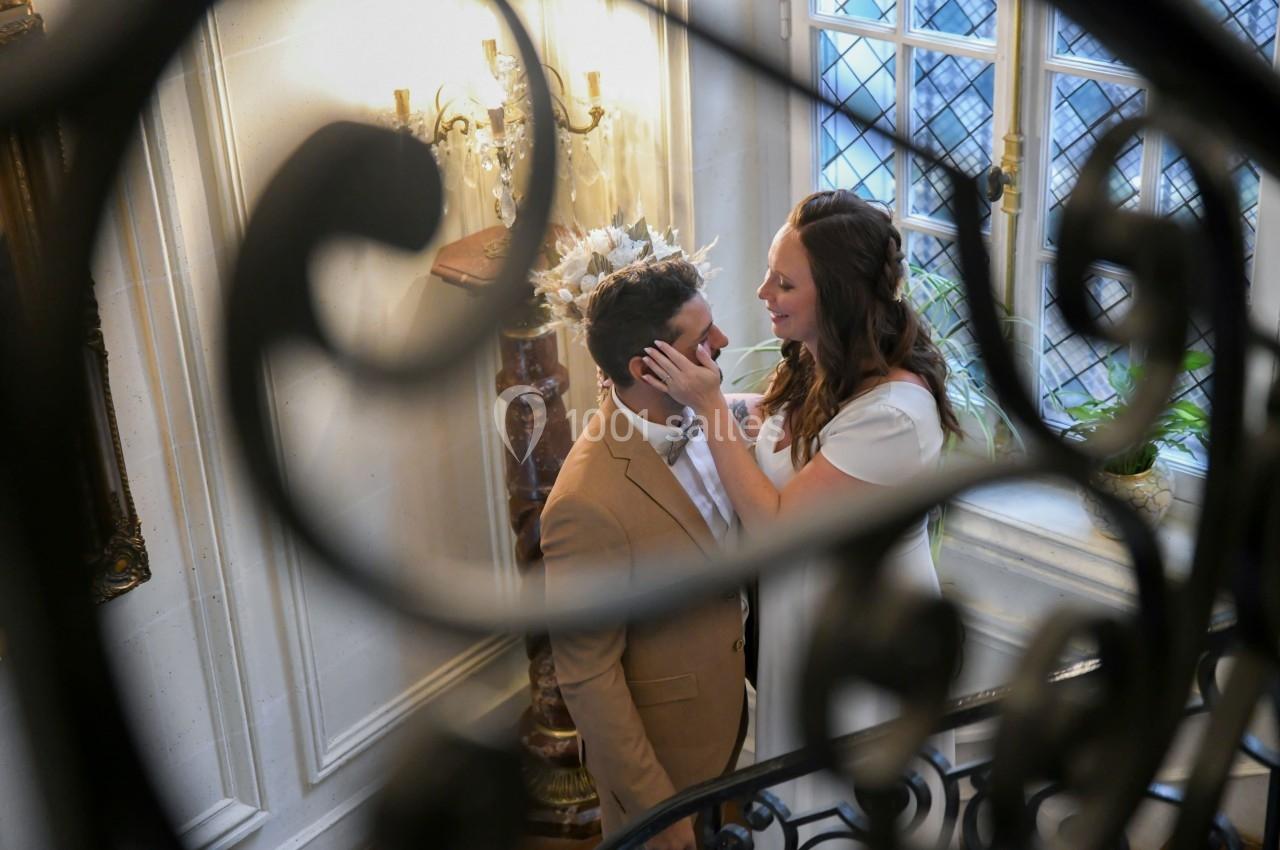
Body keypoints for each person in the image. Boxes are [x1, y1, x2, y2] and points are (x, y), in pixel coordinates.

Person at [637, 189, 961, 845]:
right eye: (769, 274)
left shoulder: (894, 414)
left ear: (838, 296)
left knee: (846, 812)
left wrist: (707, 407)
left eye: (784, 283)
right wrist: (669, 399)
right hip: (807, 615)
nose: (764, 293)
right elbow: (773, 425)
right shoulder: (825, 363)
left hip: (863, 637)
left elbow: (777, 524)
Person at [543, 257, 749, 850]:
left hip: (733, 720)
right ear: (646, 368)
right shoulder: (584, 503)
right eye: (702, 338)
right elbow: (588, 675)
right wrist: (658, 810)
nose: (722, 341)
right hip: (667, 760)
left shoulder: (707, 413)